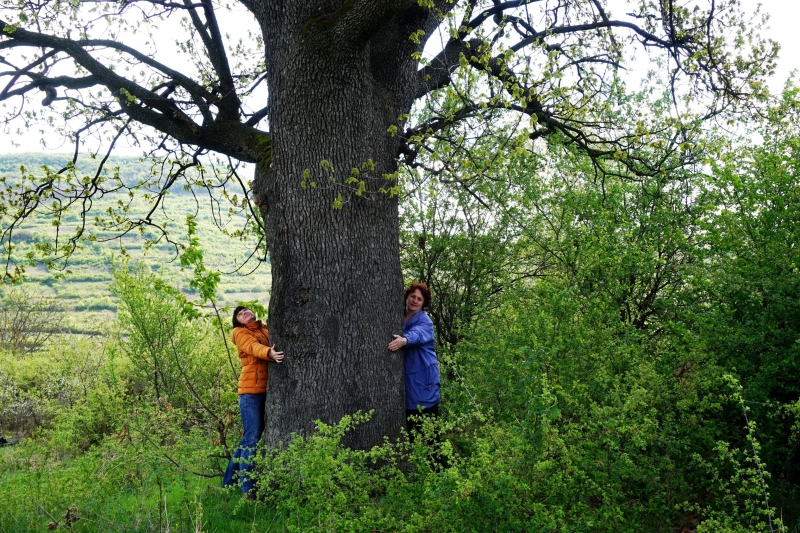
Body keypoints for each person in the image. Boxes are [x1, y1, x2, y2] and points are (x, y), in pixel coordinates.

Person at [222, 305, 284, 497]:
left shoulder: (264, 329)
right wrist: (269, 353)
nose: (245, 312)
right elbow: (252, 347)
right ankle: (246, 489)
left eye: (246, 310)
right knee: (251, 439)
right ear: (238, 321)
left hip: (265, 390)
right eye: (240, 314)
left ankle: (228, 483)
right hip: (250, 392)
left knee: (248, 438)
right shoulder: (239, 332)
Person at [388, 282, 441, 438]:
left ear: (423, 303)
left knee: (431, 440)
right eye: (413, 296)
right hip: (408, 389)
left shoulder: (425, 321)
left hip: (425, 387)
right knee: (411, 438)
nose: (415, 301)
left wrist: (405, 340)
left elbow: (418, 334)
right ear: (407, 297)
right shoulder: (397, 315)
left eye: (419, 299)